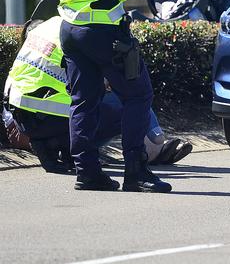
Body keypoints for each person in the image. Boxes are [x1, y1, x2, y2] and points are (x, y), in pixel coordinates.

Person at [36, 0, 171, 192]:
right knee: (138, 96)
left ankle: (87, 173)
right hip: (107, 29)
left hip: (71, 30)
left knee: (83, 102)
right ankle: (135, 172)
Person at [2, 16, 193, 174]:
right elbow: (111, 85)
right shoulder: (86, 28)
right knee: (132, 99)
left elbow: (11, 89)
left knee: (83, 99)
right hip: (58, 118)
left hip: (26, 123)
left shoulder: (39, 34)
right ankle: (152, 152)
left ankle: (54, 145)